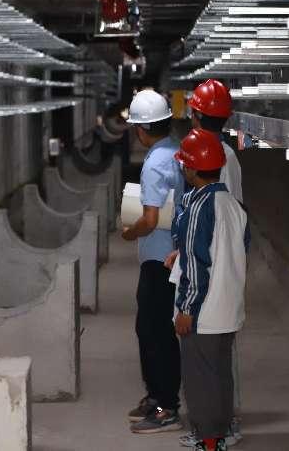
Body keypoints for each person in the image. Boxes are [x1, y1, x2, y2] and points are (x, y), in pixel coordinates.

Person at [171, 128, 249, 451]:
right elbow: (231, 251)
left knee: (199, 380)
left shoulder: (198, 208)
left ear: (191, 169)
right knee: (220, 376)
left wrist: (187, 309)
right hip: (229, 309)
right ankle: (221, 432)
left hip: (203, 313)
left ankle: (207, 440)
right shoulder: (233, 205)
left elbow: (196, 264)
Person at [121, 89, 185, 434]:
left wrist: (129, 233)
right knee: (156, 329)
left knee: (153, 332)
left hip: (158, 260)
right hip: (172, 255)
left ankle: (165, 406)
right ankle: (158, 397)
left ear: (142, 129)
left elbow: (149, 219)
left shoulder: (154, 164)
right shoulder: (176, 151)